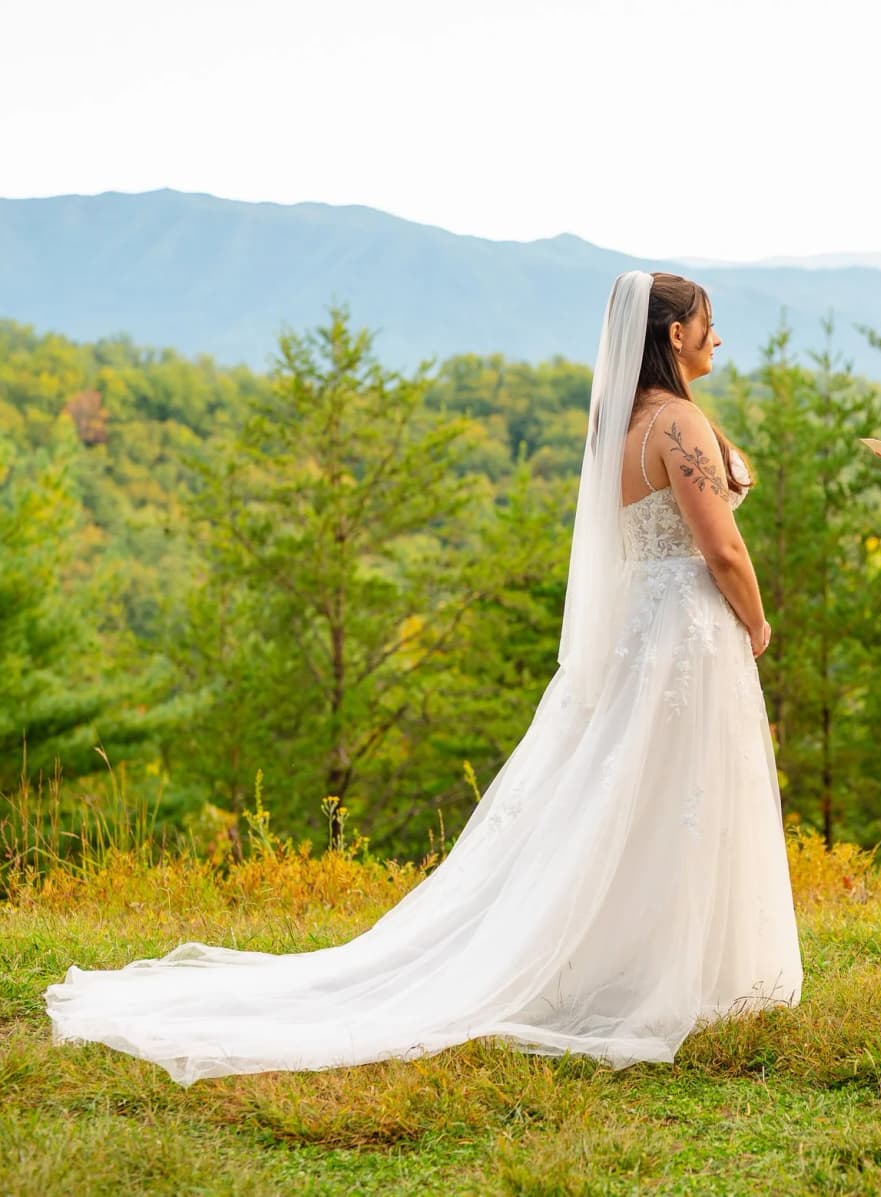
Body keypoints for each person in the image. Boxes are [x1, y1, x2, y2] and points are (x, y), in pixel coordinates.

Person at [45, 271, 803, 1083]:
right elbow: (721, 546)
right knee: (673, 794)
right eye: (706, 323)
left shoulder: (620, 422)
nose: (716, 337)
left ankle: (640, 961)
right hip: (683, 626)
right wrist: (756, 621)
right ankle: (671, 972)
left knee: (633, 797)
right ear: (673, 335)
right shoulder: (678, 421)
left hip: (641, 630)